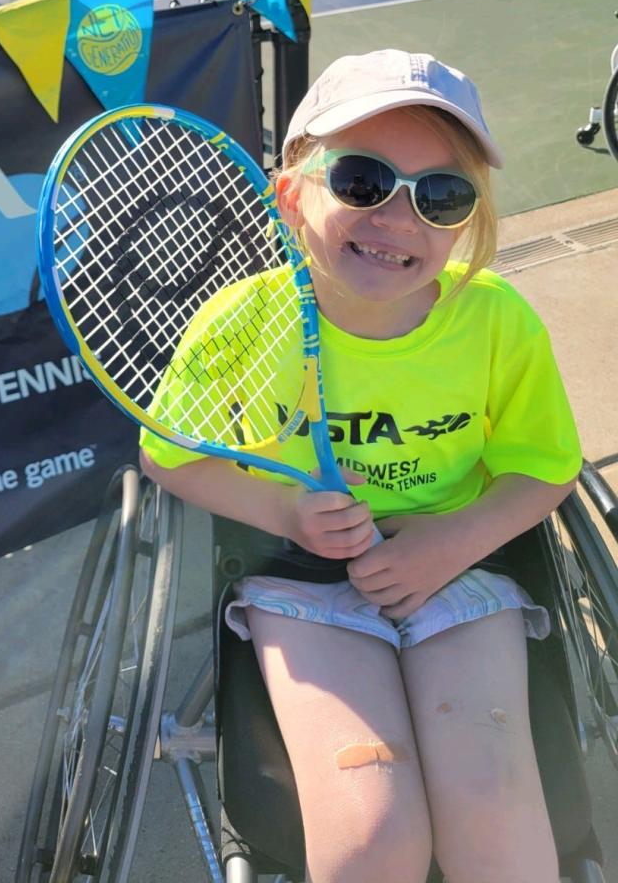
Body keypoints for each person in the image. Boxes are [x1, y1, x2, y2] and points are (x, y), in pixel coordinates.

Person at [141, 49, 581, 883]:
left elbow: (544, 469)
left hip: (459, 566)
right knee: (373, 824)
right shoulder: (239, 322)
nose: (397, 219)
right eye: (362, 182)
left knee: (491, 799)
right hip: (302, 580)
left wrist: (449, 543)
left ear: (466, 219)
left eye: (441, 195)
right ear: (290, 192)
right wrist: (283, 515)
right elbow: (169, 455)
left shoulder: (496, 323)